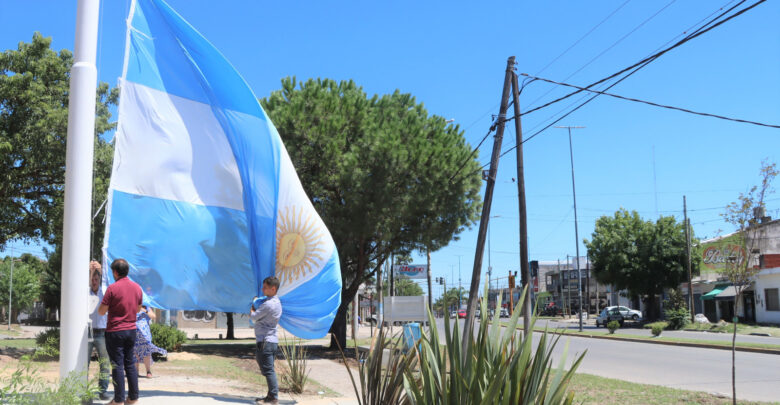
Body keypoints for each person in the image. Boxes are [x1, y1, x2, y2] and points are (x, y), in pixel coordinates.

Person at [99, 258, 143, 405]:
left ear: (115, 272)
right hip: (131, 330)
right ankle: (133, 398)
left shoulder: (112, 288)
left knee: (117, 365)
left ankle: (118, 400)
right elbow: (137, 309)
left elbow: (101, 311)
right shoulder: (137, 288)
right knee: (130, 364)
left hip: (115, 331)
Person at [250, 276, 282, 404]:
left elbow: (253, 317)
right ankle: (270, 396)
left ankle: (273, 398)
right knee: (268, 369)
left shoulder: (268, 305)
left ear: (273, 289)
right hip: (270, 341)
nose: (262, 289)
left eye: (265, 287)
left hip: (265, 341)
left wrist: (252, 305)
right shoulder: (276, 302)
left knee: (268, 370)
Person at [88, 261, 111, 400]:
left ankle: (102, 391)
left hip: (102, 332)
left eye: (96, 279)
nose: (94, 281)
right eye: (92, 279)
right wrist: (90, 271)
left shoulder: (105, 291)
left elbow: (107, 281)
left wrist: (100, 270)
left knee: (104, 363)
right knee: (84, 363)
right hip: (88, 331)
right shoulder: (86, 292)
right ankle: (83, 390)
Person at [133, 305, 167, 378]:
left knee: (146, 351)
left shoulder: (146, 307)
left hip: (145, 334)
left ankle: (148, 371)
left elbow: (153, 317)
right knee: (134, 351)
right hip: (133, 332)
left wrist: (144, 310)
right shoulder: (131, 304)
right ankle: (135, 371)